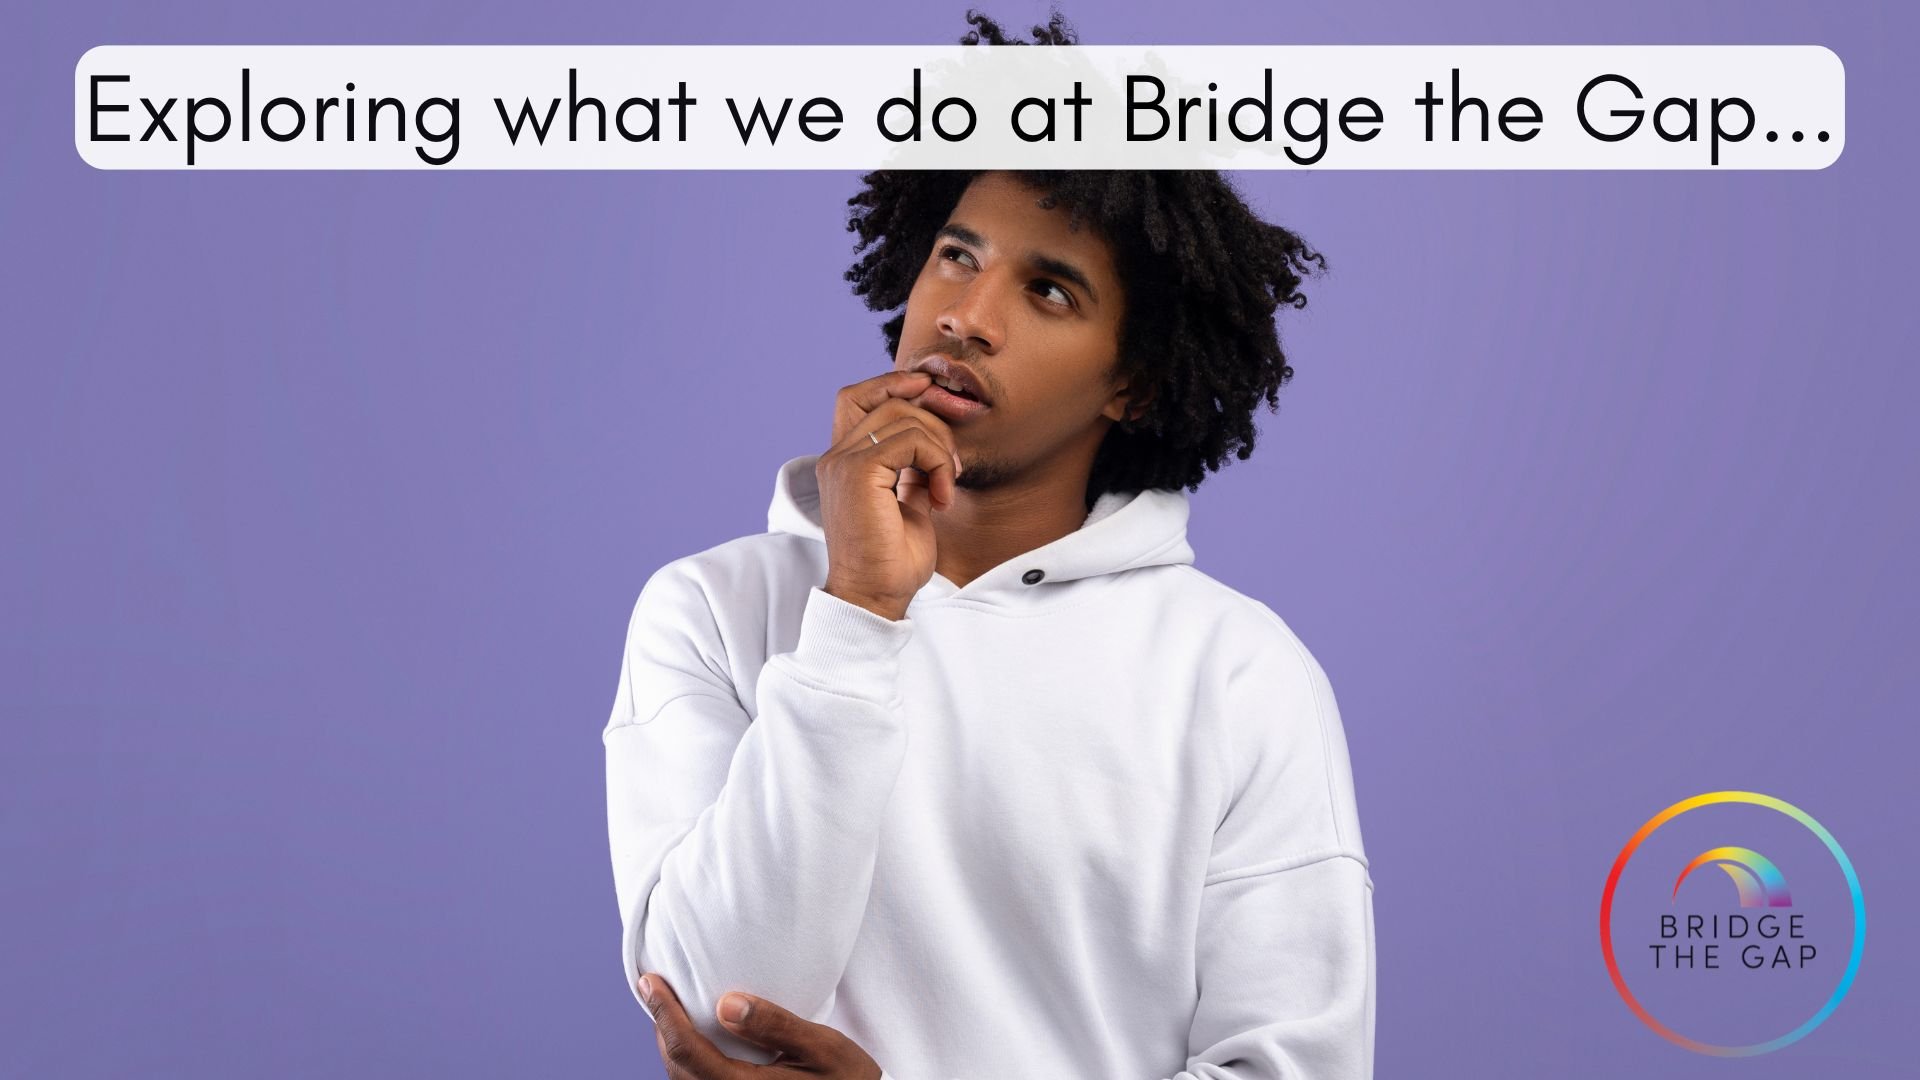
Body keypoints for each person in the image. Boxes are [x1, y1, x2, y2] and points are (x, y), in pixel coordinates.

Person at [602, 13, 1373, 1078]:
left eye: (1047, 290)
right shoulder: (712, 609)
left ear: (1132, 382)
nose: (966, 316)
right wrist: (858, 610)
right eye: (957, 256)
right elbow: (717, 1013)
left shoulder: (1241, 675)